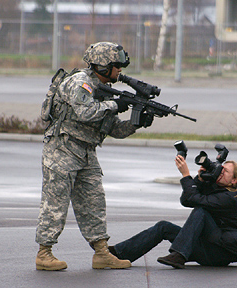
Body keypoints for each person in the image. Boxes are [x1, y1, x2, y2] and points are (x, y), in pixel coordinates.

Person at [35, 42, 153, 271]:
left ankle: (102, 254)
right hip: (62, 149)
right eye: (116, 66)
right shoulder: (80, 83)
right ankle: (44, 254)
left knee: (94, 202)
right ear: (103, 65)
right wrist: (116, 104)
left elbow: (114, 129)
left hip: (86, 152)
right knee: (55, 204)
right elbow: (85, 112)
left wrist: (137, 123)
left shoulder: (103, 88)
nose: (120, 71)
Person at [109, 155, 237, 268]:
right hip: (211, 246)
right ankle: (117, 254)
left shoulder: (232, 197)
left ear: (234, 180)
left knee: (201, 211)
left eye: (225, 171)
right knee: (163, 227)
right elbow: (186, 200)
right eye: (221, 169)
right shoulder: (216, 189)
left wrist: (186, 176)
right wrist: (199, 179)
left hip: (224, 251)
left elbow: (194, 200)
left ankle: (179, 255)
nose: (220, 171)